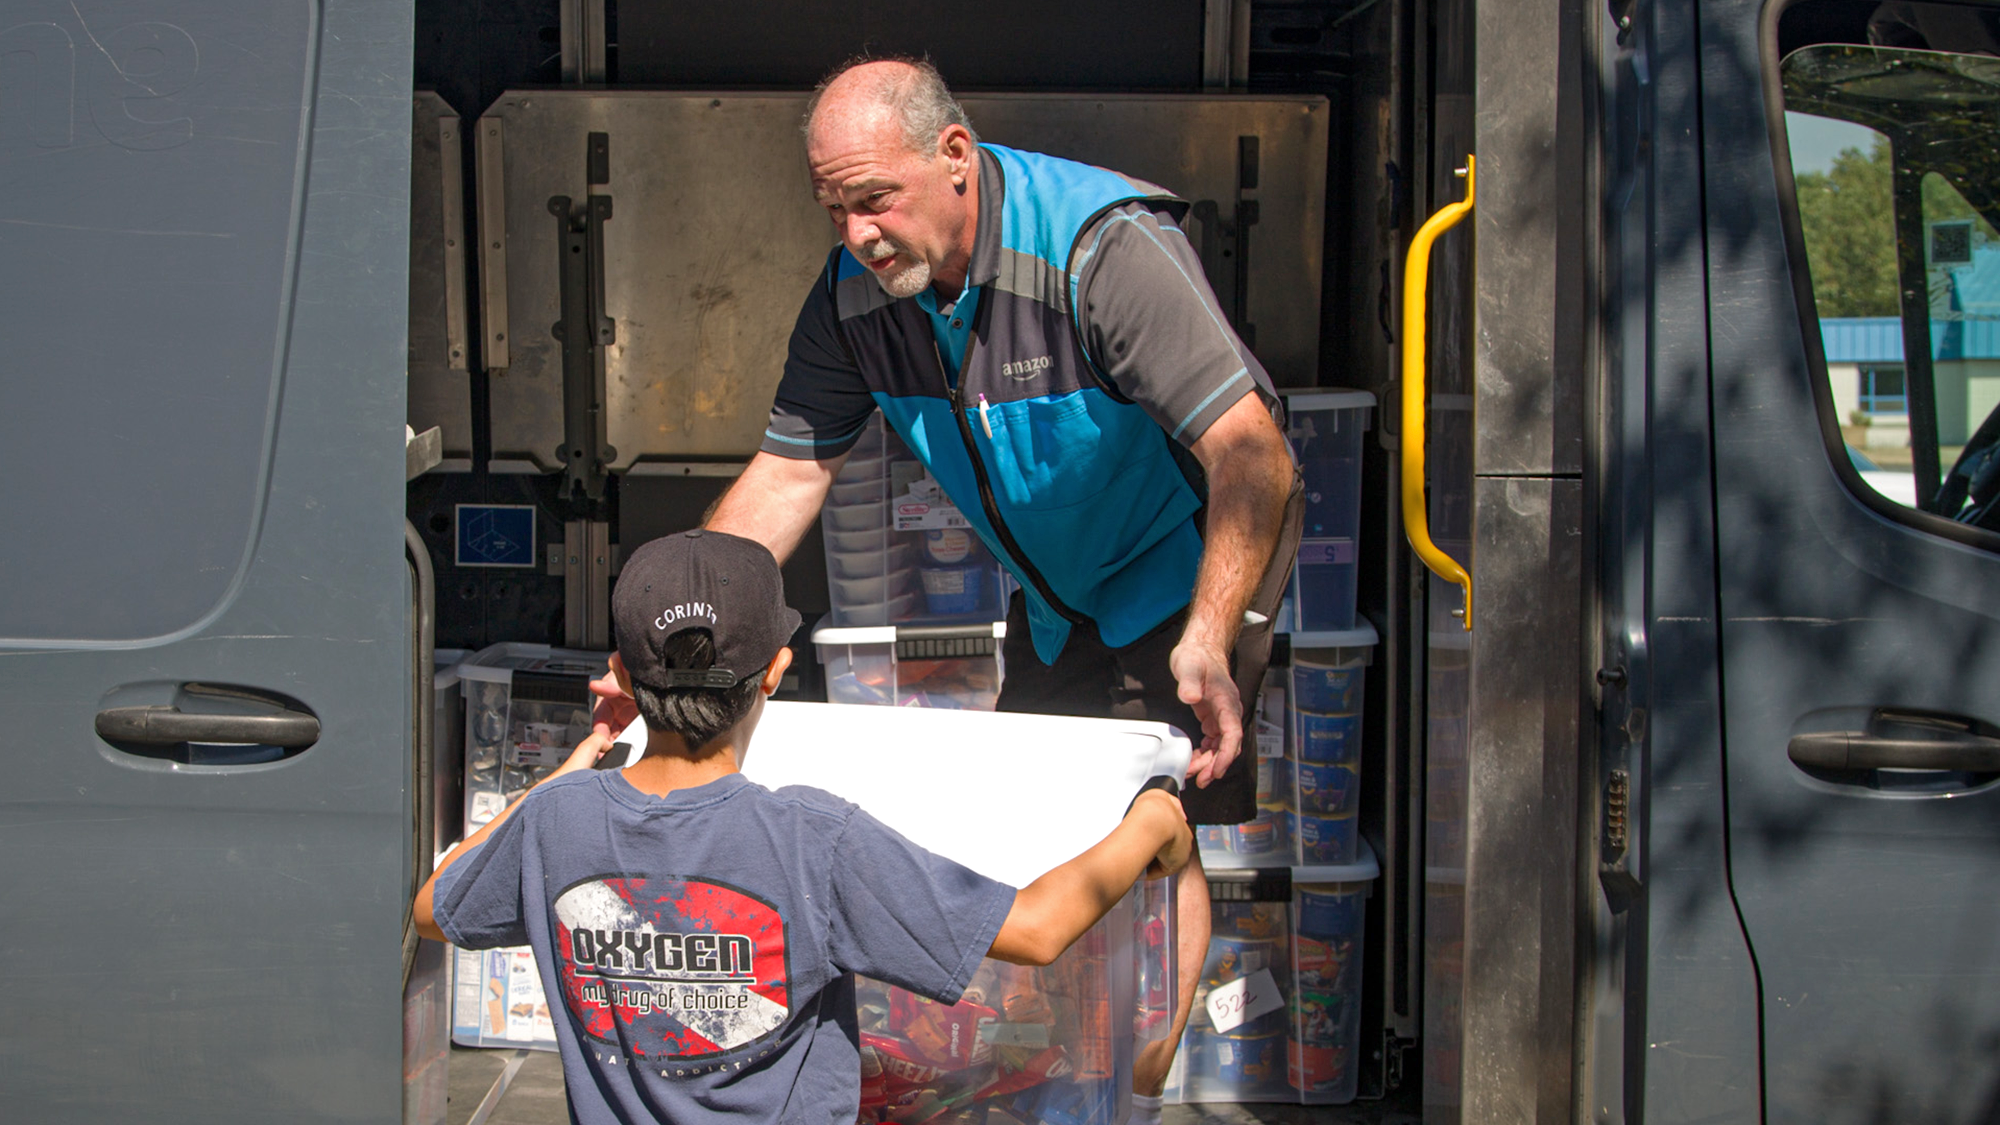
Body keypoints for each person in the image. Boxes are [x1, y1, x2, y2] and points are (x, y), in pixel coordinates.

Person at [670, 57, 1302, 1105]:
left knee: (1160, 816)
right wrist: (673, 645)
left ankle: (1142, 1081)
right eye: (834, 209)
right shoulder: (852, 302)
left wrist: (1212, 630)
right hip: (1054, 592)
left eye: (875, 200)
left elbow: (1253, 455)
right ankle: (1065, 1063)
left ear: (954, 156)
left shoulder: (1100, 251)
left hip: (1181, 565)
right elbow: (785, 477)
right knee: (1046, 823)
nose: (858, 235)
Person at [418, 530, 1193, 1125]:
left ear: (621, 675)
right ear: (777, 671)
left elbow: (435, 905)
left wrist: (580, 759)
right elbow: (1038, 928)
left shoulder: (559, 822)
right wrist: (1155, 816)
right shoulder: (810, 838)